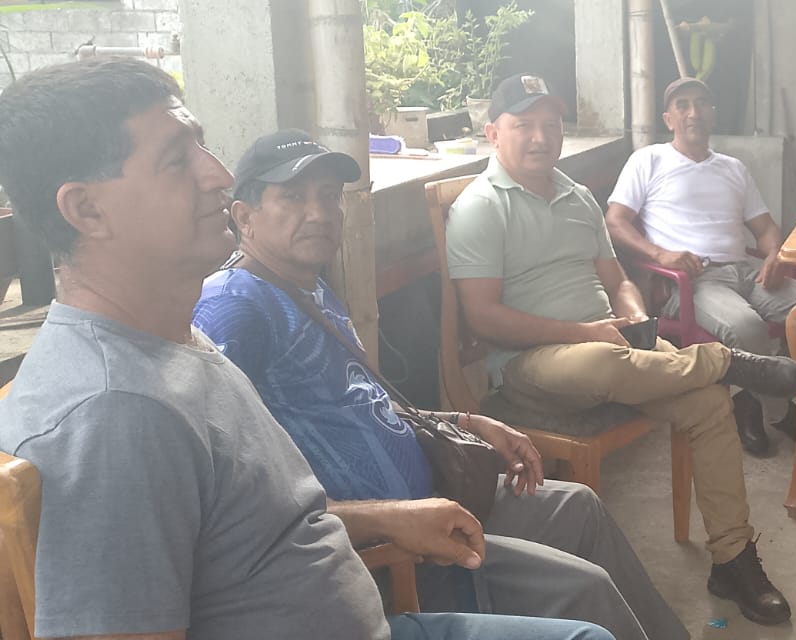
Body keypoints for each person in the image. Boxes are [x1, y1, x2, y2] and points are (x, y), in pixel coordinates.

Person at [0, 57, 611, 640]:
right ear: (87, 209)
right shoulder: (115, 415)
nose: (217, 174)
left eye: (202, 146)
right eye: (176, 159)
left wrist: (391, 510)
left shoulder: (174, 341)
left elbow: (263, 517)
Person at [192, 129, 689, 640]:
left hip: (437, 489)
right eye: (293, 197)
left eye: (328, 196)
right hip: (388, 551)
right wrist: (391, 518)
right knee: (586, 588)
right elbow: (233, 499)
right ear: (243, 216)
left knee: (579, 507)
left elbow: (364, 404)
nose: (318, 212)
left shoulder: (309, 287)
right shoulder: (233, 309)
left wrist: (463, 421)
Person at [446, 74, 795, 626]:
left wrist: (633, 314)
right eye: (524, 125)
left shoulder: (578, 196)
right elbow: (483, 316)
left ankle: (733, 560)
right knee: (611, 361)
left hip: (612, 345)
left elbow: (617, 279)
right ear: (493, 133)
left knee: (709, 404)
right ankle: (724, 361)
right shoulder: (480, 206)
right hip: (530, 362)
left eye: (550, 125)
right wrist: (587, 332)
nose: (540, 137)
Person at [605, 77, 796, 458]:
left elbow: (765, 228)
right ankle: (783, 412)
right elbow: (615, 222)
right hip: (693, 281)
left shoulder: (733, 168)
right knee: (747, 327)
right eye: (682, 105)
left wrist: (774, 254)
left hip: (746, 274)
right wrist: (661, 255)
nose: (693, 112)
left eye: (701, 103)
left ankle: (751, 398)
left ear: (713, 113)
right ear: (668, 119)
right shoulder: (649, 160)